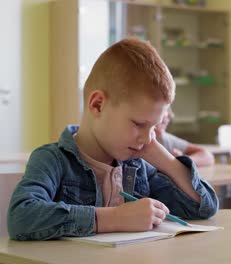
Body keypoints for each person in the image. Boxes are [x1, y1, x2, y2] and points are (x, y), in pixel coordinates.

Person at [7, 37, 218, 240]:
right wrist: (116, 218)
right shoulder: (52, 160)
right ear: (98, 105)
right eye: (138, 124)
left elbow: (204, 207)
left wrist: (165, 160)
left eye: (154, 127)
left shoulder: (137, 167)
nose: (147, 138)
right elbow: (21, 217)